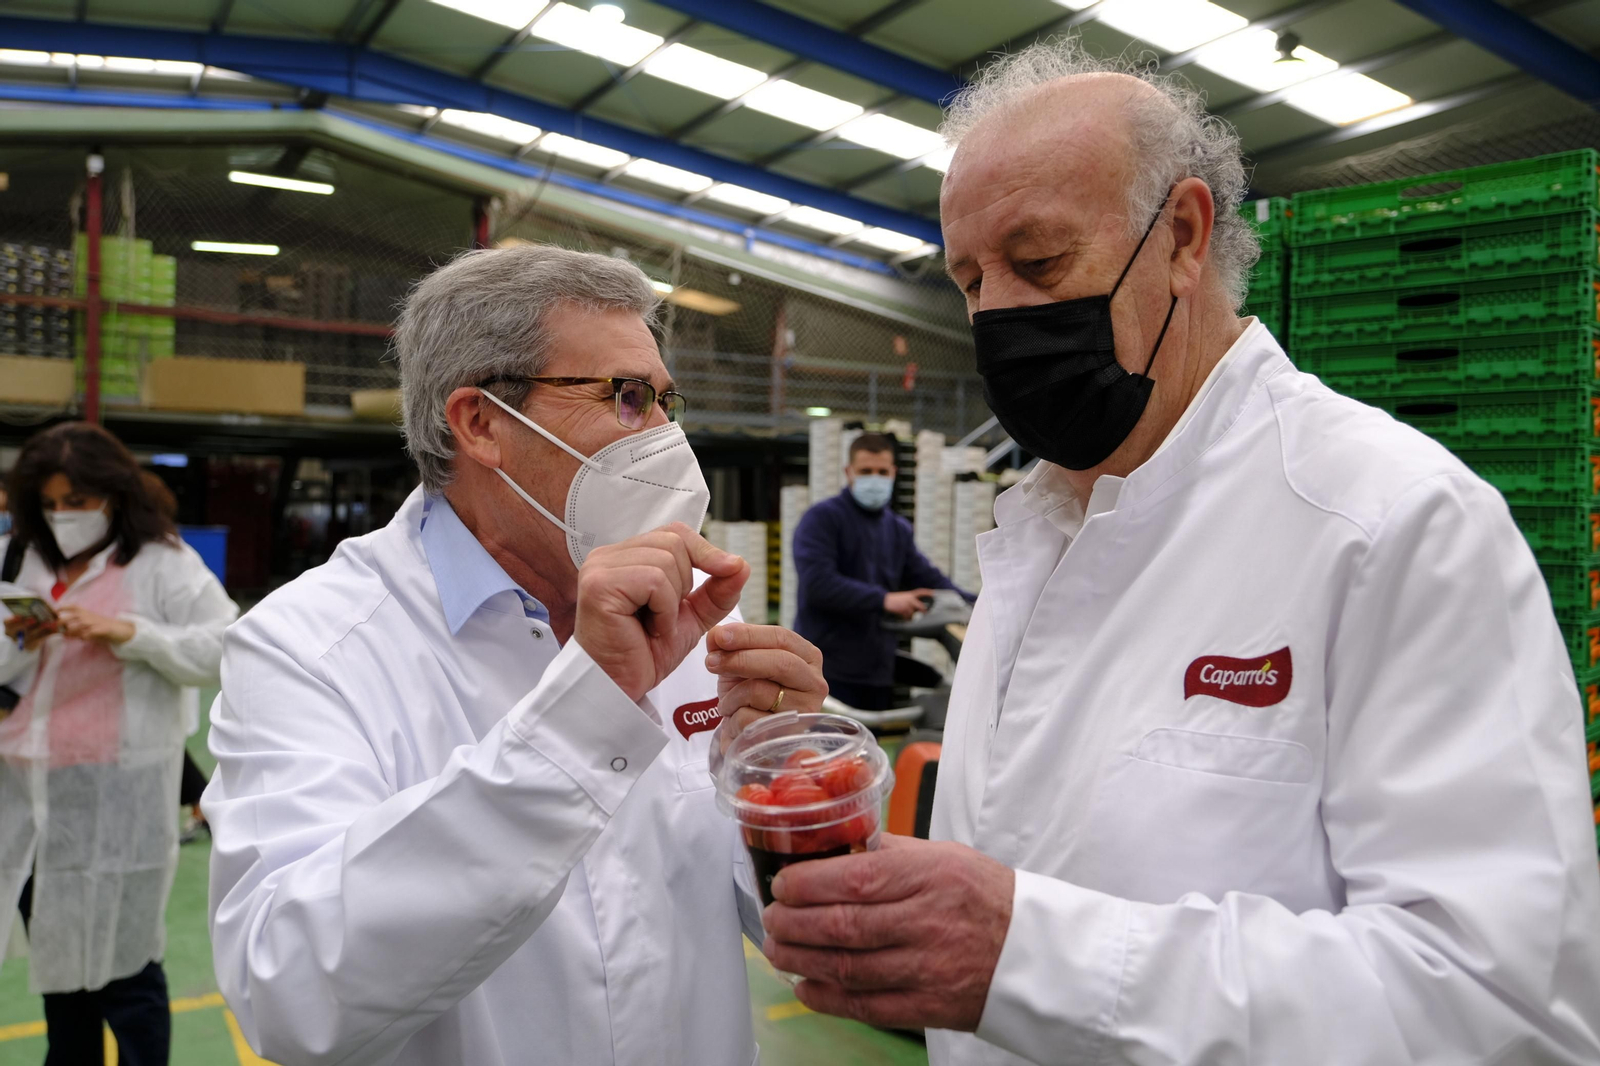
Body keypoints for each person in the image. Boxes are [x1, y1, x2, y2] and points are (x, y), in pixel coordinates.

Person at [760, 39, 1600, 1066]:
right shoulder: (1037, 530)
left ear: (1184, 237)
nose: (997, 318)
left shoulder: (1389, 524)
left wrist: (1028, 956)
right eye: (970, 280)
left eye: (1038, 261)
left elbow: (1498, 1008)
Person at [204, 245, 827, 1066]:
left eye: (669, 402)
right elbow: (288, 992)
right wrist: (582, 720)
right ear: (483, 424)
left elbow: (787, 924)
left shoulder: (693, 611)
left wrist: (784, 790)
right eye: (627, 398)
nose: (669, 438)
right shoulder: (313, 648)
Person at [0, 421, 237, 1066]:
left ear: (111, 493)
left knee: (127, 968)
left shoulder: (162, 564)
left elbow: (225, 647)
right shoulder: (20, 557)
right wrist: (22, 637)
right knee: (60, 966)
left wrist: (128, 632)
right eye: (49, 504)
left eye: (76, 501)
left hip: (116, 796)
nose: (62, 517)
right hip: (26, 797)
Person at [792, 432, 972, 711]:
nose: (874, 479)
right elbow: (818, 584)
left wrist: (975, 602)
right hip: (826, 668)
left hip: (876, 669)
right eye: (865, 471)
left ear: (893, 473)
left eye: (881, 471)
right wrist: (885, 600)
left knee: (867, 751)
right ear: (848, 472)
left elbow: (927, 576)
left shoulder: (896, 528)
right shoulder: (822, 519)